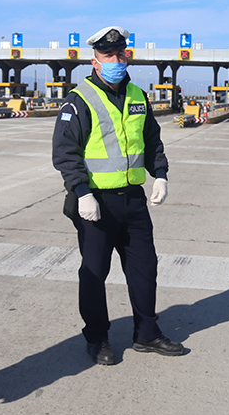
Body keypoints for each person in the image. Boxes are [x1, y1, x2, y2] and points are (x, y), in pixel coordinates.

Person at [52, 26, 186, 366]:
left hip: (133, 200)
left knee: (145, 268)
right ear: (95, 60)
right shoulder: (79, 99)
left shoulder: (138, 96)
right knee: (94, 273)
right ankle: (97, 339)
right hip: (95, 204)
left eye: (120, 54)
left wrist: (161, 175)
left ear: (127, 55)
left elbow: (153, 142)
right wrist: (81, 192)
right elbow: (65, 152)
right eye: (107, 55)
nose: (115, 60)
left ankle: (147, 334)